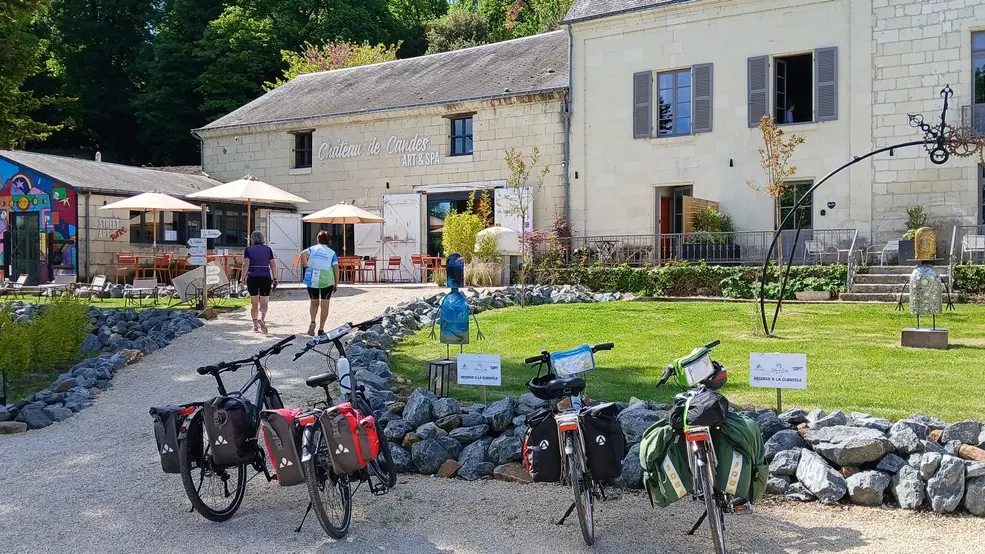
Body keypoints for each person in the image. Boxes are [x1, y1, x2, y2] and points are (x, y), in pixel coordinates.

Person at [300, 230, 339, 336]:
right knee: (325, 304)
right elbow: (336, 268)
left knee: (314, 302)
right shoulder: (332, 253)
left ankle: (312, 321)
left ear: (318, 239)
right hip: (326, 279)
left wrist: (307, 265)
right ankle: (321, 329)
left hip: (313, 277)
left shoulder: (312, 249)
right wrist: (336, 283)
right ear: (329, 241)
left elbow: (302, 254)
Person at [241, 230, 277, 333]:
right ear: (262, 238)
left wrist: (243, 277)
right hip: (265, 277)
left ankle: (255, 326)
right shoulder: (268, 250)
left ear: (252, 239)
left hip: (252, 277)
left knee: (254, 303)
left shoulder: (248, 250)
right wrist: (275, 278)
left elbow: (246, 264)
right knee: (264, 302)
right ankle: (262, 318)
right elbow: (273, 265)